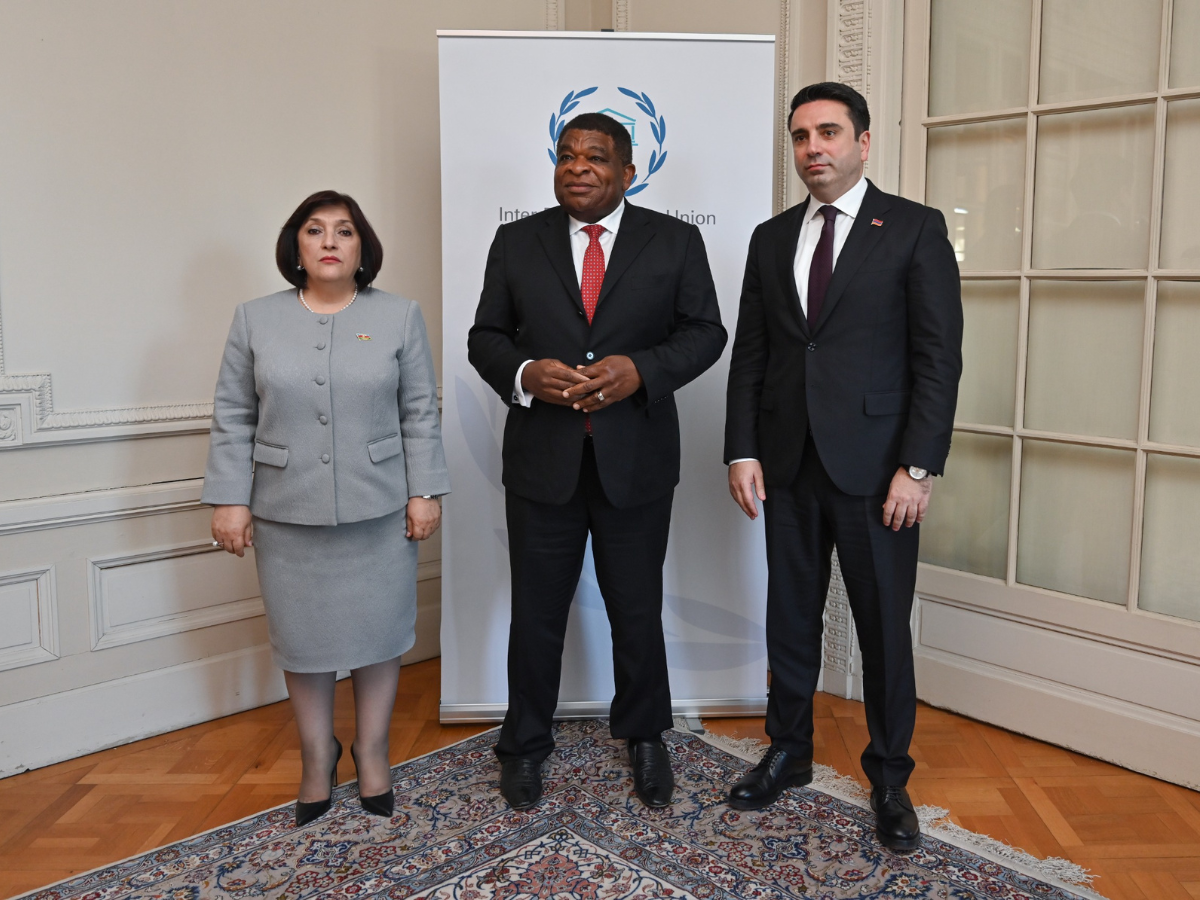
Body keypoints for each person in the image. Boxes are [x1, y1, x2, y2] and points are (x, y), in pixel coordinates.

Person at [723, 83, 962, 851]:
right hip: (787, 463)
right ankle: (788, 751)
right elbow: (752, 353)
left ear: (862, 142)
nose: (812, 148)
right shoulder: (770, 238)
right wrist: (742, 448)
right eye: (800, 136)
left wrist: (917, 467)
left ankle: (889, 776)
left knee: (883, 628)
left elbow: (938, 359)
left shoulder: (915, 229)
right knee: (789, 617)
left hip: (878, 470)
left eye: (827, 132)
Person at [468, 112, 727, 811]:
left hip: (635, 461)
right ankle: (524, 744)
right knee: (536, 614)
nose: (577, 167)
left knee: (636, 610)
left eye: (596, 157)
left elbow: (706, 332)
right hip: (542, 463)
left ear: (628, 172)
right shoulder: (516, 241)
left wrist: (642, 370)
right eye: (566, 154)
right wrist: (525, 373)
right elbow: (485, 336)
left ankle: (645, 736)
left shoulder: (675, 241)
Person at [203, 190, 449, 826]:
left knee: (379, 635)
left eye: (344, 230)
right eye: (315, 230)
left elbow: (419, 412)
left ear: (363, 246)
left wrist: (425, 491)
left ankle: (372, 752)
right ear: (297, 246)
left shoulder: (399, 316)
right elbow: (234, 414)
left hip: (379, 509)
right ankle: (317, 756)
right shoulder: (255, 319)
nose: (330, 241)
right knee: (303, 642)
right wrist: (230, 499)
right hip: (285, 512)